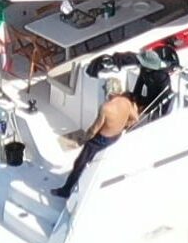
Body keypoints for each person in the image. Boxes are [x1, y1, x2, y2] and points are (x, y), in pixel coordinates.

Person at [56, 67, 143, 201]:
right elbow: (135, 118)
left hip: (101, 140)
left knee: (80, 163)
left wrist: (82, 141)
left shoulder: (106, 108)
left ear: (109, 92)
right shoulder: (126, 102)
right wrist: (124, 125)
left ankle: (66, 190)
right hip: (116, 136)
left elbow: (93, 130)